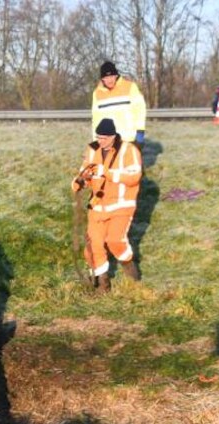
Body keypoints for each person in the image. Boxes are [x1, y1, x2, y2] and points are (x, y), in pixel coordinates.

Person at [71, 118, 143, 293]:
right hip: (97, 206)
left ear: (113, 136)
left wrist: (107, 173)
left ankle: (129, 266)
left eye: (104, 138)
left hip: (121, 205)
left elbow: (134, 177)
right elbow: (85, 173)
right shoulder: (92, 149)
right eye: (98, 137)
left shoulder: (129, 150)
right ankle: (102, 285)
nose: (100, 141)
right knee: (93, 247)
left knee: (115, 241)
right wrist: (79, 182)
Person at [91, 61, 147, 147]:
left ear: (116, 76)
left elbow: (140, 110)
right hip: (108, 141)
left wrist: (140, 131)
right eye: (106, 77)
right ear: (102, 79)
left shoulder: (130, 87)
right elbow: (96, 119)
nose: (109, 80)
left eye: (112, 76)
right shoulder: (97, 94)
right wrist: (96, 140)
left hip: (128, 139)